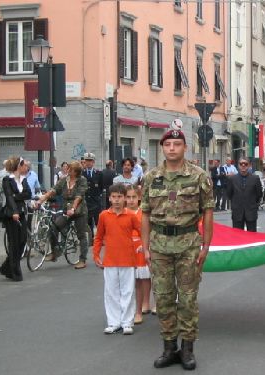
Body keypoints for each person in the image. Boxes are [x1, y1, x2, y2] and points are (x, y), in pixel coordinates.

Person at [141, 129, 214, 370]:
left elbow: (208, 212)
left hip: (188, 245)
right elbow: (146, 213)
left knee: (188, 299)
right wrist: (146, 246)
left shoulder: (199, 177)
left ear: (185, 147)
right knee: (162, 299)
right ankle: (169, 347)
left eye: (177, 144)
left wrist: (206, 245)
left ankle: (188, 349)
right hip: (160, 245)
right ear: (162, 148)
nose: (172, 148)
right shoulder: (151, 177)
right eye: (168, 144)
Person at [93, 183, 141, 335]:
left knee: (128, 291)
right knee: (111, 292)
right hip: (110, 260)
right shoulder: (103, 216)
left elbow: (142, 232)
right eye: (114, 197)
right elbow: (99, 237)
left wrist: (143, 247)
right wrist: (96, 254)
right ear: (109, 198)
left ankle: (127, 322)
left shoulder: (131, 216)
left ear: (125, 199)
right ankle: (113, 322)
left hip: (128, 259)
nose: (117, 200)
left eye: (120, 197)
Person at [36, 161, 89, 269]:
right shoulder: (64, 180)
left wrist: (73, 208)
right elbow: (54, 190)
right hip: (66, 210)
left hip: (79, 211)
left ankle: (82, 260)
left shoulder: (82, 181)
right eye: (68, 168)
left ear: (76, 172)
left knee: (81, 235)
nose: (68, 170)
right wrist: (42, 198)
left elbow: (79, 196)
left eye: (71, 169)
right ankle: (54, 253)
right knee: (53, 227)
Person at [0, 156, 31, 281]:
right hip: (12, 214)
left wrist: (16, 195)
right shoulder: (7, 180)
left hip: (22, 213)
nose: (26, 167)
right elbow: (9, 197)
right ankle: (15, 272)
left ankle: (6, 267)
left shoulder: (23, 179)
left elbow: (28, 193)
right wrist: (14, 211)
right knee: (14, 243)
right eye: (24, 165)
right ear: (19, 166)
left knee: (23, 240)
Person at [125, 185, 153, 325]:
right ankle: (135, 306)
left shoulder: (143, 213)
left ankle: (146, 303)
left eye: (134, 197)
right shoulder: (123, 213)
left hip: (142, 247)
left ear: (139, 197)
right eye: (128, 197)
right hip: (129, 248)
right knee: (135, 279)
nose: (131, 200)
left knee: (145, 277)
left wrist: (146, 244)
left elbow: (149, 230)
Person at [226, 157, 262, 232]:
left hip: (251, 212)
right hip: (237, 212)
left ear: (249, 165)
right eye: (241, 164)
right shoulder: (232, 179)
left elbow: (259, 194)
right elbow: (229, 194)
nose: (243, 165)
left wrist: (253, 204)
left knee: (252, 237)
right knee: (237, 238)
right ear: (238, 165)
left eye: (245, 164)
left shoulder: (255, 178)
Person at [82, 152, 103, 239]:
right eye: (87, 161)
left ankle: (100, 238)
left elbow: (101, 187)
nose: (88, 163)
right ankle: (91, 238)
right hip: (86, 202)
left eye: (90, 161)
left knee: (98, 221)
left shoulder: (98, 173)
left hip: (96, 202)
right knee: (88, 222)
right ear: (84, 162)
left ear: (93, 162)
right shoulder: (82, 174)